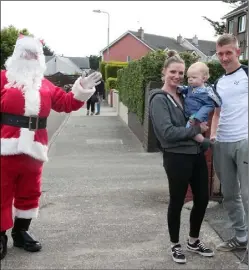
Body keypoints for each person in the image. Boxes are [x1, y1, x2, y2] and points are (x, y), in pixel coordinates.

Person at [0, 35, 102, 260]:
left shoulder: (45, 85)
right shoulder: (2, 79)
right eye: (25, 53)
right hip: (5, 148)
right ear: (16, 55)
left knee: (30, 192)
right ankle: (0, 234)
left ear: (39, 58)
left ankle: (21, 231)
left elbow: (67, 104)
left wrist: (82, 88)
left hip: (35, 150)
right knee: (2, 192)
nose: (29, 58)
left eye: (34, 54)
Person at [149, 50, 214, 264]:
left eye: (181, 73)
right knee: (176, 201)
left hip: (196, 155)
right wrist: (196, 130)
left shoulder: (185, 94)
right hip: (176, 157)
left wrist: (201, 137)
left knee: (203, 198)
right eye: (173, 72)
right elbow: (166, 133)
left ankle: (193, 241)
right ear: (164, 72)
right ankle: (175, 244)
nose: (177, 76)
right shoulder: (159, 99)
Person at [210, 33, 248, 253]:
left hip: (244, 141)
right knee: (230, 194)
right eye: (220, 54)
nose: (224, 58)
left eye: (228, 53)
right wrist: (213, 136)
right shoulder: (218, 83)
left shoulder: (246, 74)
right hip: (222, 142)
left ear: (238, 52)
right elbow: (216, 114)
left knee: (247, 194)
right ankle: (241, 237)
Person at [178, 61, 222, 151]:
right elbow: (185, 90)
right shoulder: (191, 88)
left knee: (189, 129)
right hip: (190, 115)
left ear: (204, 78)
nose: (190, 79)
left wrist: (197, 117)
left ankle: (203, 141)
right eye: (189, 77)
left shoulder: (206, 92)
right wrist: (179, 89)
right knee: (189, 128)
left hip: (197, 117)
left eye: (193, 77)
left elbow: (210, 105)